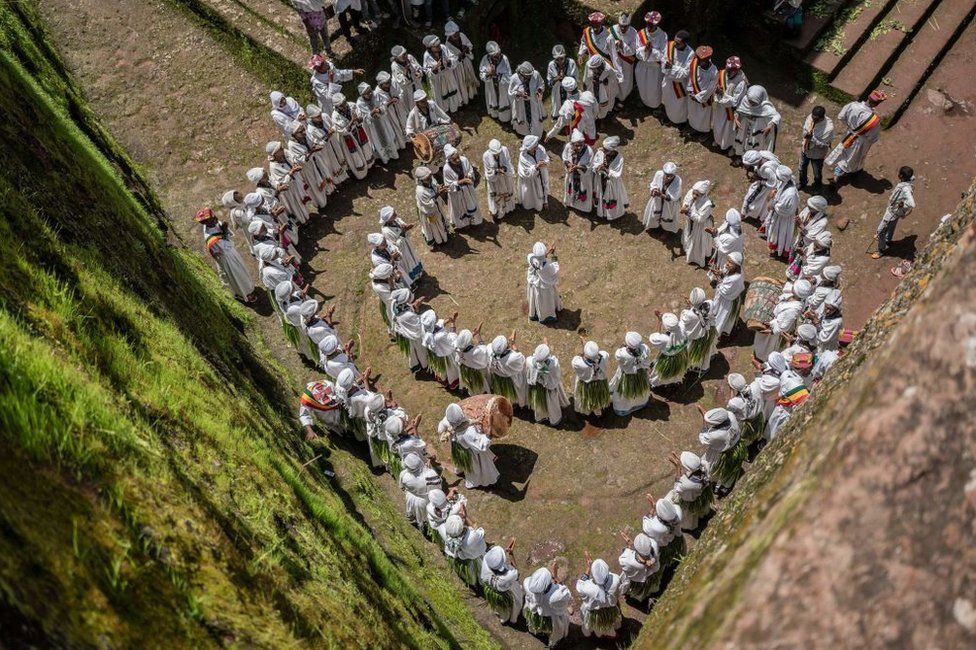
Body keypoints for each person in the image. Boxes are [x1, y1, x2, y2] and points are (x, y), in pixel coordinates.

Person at [195, 208, 255, 302]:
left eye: (214, 216)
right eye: (212, 219)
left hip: (230, 253)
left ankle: (248, 287)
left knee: (241, 270)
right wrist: (225, 231)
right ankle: (243, 294)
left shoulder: (214, 222)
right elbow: (229, 244)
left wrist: (224, 230)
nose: (215, 219)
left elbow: (229, 237)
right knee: (236, 276)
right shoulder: (211, 239)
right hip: (226, 258)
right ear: (205, 223)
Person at [828, 89, 886, 182]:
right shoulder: (874, 120)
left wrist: (850, 126)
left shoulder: (852, 105)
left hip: (848, 134)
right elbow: (872, 137)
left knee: (843, 152)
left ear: (868, 97)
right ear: (877, 104)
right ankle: (836, 176)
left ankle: (841, 171)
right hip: (860, 141)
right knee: (851, 159)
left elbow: (841, 117)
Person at [438, 403, 500, 489]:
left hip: (458, 448)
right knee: (476, 468)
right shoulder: (468, 433)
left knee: (461, 462)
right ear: (462, 415)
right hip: (472, 453)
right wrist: (489, 434)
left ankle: (459, 470)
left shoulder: (447, 421)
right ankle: (478, 481)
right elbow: (481, 446)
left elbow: (440, 429)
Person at [753, 279, 811, 361]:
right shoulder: (793, 296)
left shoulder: (793, 310)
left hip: (774, 329)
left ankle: (762, 358)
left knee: (766, 345)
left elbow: (782, 327)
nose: (793, 285)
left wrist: (769, 326)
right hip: (774, 319)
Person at [523, 566, 573, 647]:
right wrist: (555, 577)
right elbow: (568, 595)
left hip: (536, 613)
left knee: (538, 626)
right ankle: (552, 642)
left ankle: (539, 631)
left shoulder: (526, 583)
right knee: (554, 631)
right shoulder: (556, 596)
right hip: (551, 618)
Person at [305, 104, 350, 190]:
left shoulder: (325, 116)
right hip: (325, 149)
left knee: (339, 157)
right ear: (312, 118)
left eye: (319, 115)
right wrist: (327, 136)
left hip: (333, 142)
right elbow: (317, 143)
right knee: (331, 164)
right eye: (317, 117)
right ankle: (337, 182)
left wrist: (332, 129)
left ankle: (346, 175)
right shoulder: (311, 129)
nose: (320, 118)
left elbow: (333, 124)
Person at [873, 165, 915, 258]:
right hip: (896, 211)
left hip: (892, 212)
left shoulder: (905, 188)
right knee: (892, 225)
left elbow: (912, 204)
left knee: (880, 231)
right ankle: (887, 239)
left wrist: (903, 205)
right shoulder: (908, 181)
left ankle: (881, 250)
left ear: (901, 176)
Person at [698, 406, 744, 491]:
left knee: (712, 469)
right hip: (735, 447)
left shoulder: (717, 435)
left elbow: (703, 438)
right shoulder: (730, 415)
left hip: (721, 454)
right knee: (730, 470)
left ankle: (716, 485)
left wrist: (703, 418)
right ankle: (726, 486)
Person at [330, 93, 375, 180]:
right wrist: (352, 121)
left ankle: (370, 166)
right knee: (355, 155)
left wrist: (357, 119)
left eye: (344, 102)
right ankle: (361, 173)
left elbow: (361, 117)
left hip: (358, 131)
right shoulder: (335, 116)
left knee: (365, 148)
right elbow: (342, 131)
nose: (344, 105)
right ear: (337, 106)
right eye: (341, 105)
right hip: (348, 138)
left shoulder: (351, 105)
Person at [266, 141, 312, 225]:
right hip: (290, 189)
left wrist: (295, 164)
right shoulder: (274, 166)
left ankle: (307, 215)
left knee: (303, 198)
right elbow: (281, 182)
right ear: (275, 154)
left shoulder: (285, 152)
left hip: (297, 181)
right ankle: (303, 220)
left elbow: (293, 158)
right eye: (279, 149)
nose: (282, 149)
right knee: (296, 203)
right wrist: (291, 173)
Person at [576, 556, 622, 639]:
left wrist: (589, 567)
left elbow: (580, 584)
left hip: (594, 613)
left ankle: (599, 634)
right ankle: (613, 633)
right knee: (611, 622)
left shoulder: (588, 587)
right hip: (610, 610)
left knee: (596, 625)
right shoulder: (615, 579)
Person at [479, 543, 524, 627]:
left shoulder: (486, 560)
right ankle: (511, 618)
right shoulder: (509, 575)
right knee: (514, 603)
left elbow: (493, 560)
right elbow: (517, 573)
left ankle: (503, 618)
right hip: (506, 592)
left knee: (499, 606)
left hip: (491, 589)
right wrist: (511, 554)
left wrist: (503, 552)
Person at [666, 450, 712, 531]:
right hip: (702, 494)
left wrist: (677, 467)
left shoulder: (687, 484)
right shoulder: (705, 465)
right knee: (702, 508)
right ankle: (703, 514)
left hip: (690, 499)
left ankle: (691, 527)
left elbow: (677, 487)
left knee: (689, 514)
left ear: (688, 468)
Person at [526, 344, 571, 425]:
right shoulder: (553, 365)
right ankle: (554, 418)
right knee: (552, 403)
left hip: (537, 388)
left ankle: (540, 416)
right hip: (549, 388)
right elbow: (556, 375)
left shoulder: (529, 362)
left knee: (539, 403)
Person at [356, 83, 400, 164]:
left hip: (382, 120)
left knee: (388, 135)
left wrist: (380, 110)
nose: (370, 94)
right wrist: (372, 112)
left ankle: (394, 154)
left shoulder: (375, 94)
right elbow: (364, 118)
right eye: (367, 93)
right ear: (362, 95)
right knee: (377, 141)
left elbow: (383, 105)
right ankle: (385, 159)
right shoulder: (360, 103)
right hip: (373, 126)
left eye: (370, 91)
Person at [610, 331, 652, 415]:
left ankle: (624, 408)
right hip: (641, 374)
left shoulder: (621, 354)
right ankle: (639, 404)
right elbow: (646, 361)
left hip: (627, 376)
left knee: (625, 392)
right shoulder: (645, 348)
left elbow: (618, 356)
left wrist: (623, 346)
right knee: (639, 389)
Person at [442, 144, 482, 230]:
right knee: (461, 209)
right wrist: (461, 182)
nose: (457, 160)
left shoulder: (464, 160)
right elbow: (449, 186)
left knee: (471, 204)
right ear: (449, 160)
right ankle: (464, 224)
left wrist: (469, 175)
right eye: (454, 159)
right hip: (457, 194)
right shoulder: (446, 169)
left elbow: (470, 170)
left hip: (468, 190)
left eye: (458, 157)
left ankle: (474, 221)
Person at [712, 56, 748, 151]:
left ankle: (728, 146)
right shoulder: (722, 73)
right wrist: (716, 91)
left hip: (731, 111)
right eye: (728, 69)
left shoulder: (741, 82)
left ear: (738, 69)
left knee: (728, 130)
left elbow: (735, 101)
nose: (730, 72)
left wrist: (722, 94)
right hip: (720, 107)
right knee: (718, 125)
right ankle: (718, 140)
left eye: (733, 70)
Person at [442, 511, 487, 587]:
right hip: (479, 553)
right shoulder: (471, 537)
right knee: (482, 567)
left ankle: (477, 582)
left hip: (468, 556)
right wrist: (473, 525)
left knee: (477, 571)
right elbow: (482, 533)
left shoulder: (450, 538)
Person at [733, 85, 781, 157]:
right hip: (744, 127)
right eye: (750, 101)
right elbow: (738, 110)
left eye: (754, 102)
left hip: (757, 129)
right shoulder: (745, 101)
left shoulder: (765, 106)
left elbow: (777, 116)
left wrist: (769, 126)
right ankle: (741, 157)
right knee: (742, 141)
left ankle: (753, 161)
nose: (751, 104)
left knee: (754, 145)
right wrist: (736, 119)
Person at [379, 206, 423, 282]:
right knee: (408, 262)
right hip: (402, 250)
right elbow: (394, 246)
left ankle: (419, 273)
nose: (396, 214)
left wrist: (407, 227)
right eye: (393, 214)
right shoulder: (386, 231)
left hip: (407, 243)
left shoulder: (396, 220)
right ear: (389, 218)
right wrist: (402, 233)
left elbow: (403, 226)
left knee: (412, 257)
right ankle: (414, 279)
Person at [642, 497, 685, 574]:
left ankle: (669, 562)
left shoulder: (657, 527)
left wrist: (652, 509)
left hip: (663, 543)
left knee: (664, 554)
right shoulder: (678, 511)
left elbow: (645, 522)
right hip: (675, 536)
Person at [390, 289, 428, 372]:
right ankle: (425, 365)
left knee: (412, 352)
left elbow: (407, 309)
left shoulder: (394, 303)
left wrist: (414, 305)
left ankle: (416, 364)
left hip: (403, 331)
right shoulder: (408, 316)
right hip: (410, 335)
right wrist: (416, 309)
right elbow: (418, 325)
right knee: (420, 350)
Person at [398, 452, 440, 528]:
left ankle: (417, 523)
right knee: (427, 515)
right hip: (427, 499)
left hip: (412, 498)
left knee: (414, 512)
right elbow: (438, 488)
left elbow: (402, 487)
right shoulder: (432, 473)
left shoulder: (404, 475)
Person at [635, 11, 667, 109]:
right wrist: (645, 50)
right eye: (648, 24)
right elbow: (636, 51)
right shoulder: (641, 34)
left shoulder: (662, 35)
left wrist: (652, 50)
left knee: (654, 89)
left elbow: (663, 55)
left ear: (656, 24)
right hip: (643, 66)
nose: (649, 27)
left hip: (655, 68)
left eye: (651, 25)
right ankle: (644, 102)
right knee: (642, 86)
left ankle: (655, 106)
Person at [661, 30, 694, 125]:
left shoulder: (690, 54)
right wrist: (670, 68)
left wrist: (672, 67)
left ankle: (680, 121)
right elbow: (663, 62)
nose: (675, 44)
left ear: (685, 43)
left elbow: (685, 73)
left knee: (679, 105)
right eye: (674, 40)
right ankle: (669, 116)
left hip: (680, 85)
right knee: (667, 100)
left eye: (678, 43)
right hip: (668, 82)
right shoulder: (669, 46)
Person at [766, 165, 799, 258]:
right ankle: (775, 247)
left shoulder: (791, 193)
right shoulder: (784, 182)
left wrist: (773, 205)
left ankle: (781, 251)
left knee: (782, 234)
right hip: (778, 215)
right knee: (775, 233)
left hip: (784, 218)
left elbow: (785, 208)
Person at [571, 340, 611, 417]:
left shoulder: (578, 363)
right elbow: (604, 354)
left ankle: (586, 412)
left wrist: (584, 351)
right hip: (600, 383)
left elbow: (575, 360)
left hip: (586, 385)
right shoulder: (604, 356)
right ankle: (598, 412)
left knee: (585, 398)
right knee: (598, 397)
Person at [422, 35, 461, 113]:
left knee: (452, 90)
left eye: (438, 45)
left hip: (448, 74)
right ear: (430, 48)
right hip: (438, 80)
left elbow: (453, 57)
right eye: (436, 46)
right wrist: (434, 69)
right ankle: (445, 110)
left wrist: (449, 61)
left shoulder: (443, 48)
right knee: (441, 95)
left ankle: (455, 108)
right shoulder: (427, 56)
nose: (438, 47)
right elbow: (426, 70)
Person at [798, 105, 834, 190]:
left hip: (817, 154)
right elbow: (805, 129)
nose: (813, 120)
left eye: (816, 119)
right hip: (806, 149)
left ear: (822, 118)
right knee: (802, 168)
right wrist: (805, 134)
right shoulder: (810, 117)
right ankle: (802, 183)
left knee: (817, 173)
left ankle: (817, 186)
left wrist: (812, 139)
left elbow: (824, 145)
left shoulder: (828, 128)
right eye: (813, 117)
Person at [617, 533, 660, 603]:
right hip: (649, 576)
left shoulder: (626, 559)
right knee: (647, 587)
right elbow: (655, 567)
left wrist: (629, 547)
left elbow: (623, 560)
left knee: (636, 590)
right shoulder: (654, 546)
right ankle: (649, 593)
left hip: (636, 580)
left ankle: (641, 598)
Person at [592, 136, 628, 220]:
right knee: (601, 194)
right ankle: (603, 213)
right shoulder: (600, 152)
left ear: (612, 150)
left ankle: (614, 215)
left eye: (606, 150)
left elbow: (616, 174)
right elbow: (595, 162)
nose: (603, 151)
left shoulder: (619, 158)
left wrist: (606, 170)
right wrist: (597, 167)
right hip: (600, 179)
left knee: (612, 197)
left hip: (612, 183)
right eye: (604, 148)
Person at [649, 312, 688, 388]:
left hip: (668, 359)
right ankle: (674, 381)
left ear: (667, 328)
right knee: (676, 371)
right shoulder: (682, 327)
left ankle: (655, 384)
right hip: (680, 355)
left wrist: (660, 321)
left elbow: (654, 337)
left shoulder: (664, 339)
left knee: (660, 373)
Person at [682, 287, 717, 373]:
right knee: (708, 348)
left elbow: (685, 323)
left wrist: (689, 306)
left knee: (695, 352)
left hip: (697, 337)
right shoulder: (710, 303)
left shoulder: (688, 315)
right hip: (708, 332)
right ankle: (710, 358)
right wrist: (692, 306)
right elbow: (701, 314)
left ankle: (697, 366)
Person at [680, 180, 714, 267]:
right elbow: (687, 200)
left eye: (697, 195)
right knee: (689, 233)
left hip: (700, 226)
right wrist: (685, 206)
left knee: (697, 241)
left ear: (703, 194)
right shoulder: (691, 192)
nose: (694, 196)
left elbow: (700, 219)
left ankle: (695, 258)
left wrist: (688, 212)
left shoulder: (707, 205)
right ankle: (688, 249)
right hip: (690, 221)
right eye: (694, 193)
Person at [413, 166, 450, 246]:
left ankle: (445, 234)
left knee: (441, 220)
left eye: (430, 177)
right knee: (434, 227)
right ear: (421, 180)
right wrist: (438, 194)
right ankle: (439, 240)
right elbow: (429, 204)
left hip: (437, 208)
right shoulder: (420, 191)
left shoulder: (430, 179)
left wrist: (440, 187)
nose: (430, 179)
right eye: (427, 178)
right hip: (430, 213)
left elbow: (435, 186)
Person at [423, 311, 460, 389]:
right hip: (449, 355)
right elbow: (452, 337)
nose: (437, 314)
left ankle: (445, 379)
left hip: (440, 354)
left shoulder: (427, 332)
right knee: (453, 370)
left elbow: (440, 325)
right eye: (435, 315)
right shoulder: (440, 336)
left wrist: (450, 320)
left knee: (445, 370)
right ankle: (456, 382)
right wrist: (453, 323)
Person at [526, 242, 561, 323]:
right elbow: (555, 266)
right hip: (545, 290)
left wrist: (547, 253)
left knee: (535, 300)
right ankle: (547, 316)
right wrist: (553, 254)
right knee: (546, 303)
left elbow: (539, 260)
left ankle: (534, 313)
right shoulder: (548, 267)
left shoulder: (531, 259)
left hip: (534, 286)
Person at [488, 334, 528, 407]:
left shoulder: (489, 351)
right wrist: (513, 344)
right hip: (511, 379)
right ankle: (516, 403)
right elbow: (522, 360)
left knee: (503, 392)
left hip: (498, 377)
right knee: (516, 392)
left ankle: (509, 402)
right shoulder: (512, 358)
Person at [444, 21, 478, 106]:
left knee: (470, 78)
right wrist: (458, 58)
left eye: (457, 33)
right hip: (458, 67)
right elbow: (450, 59)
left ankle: (472, 95)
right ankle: (464, 99)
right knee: (461, 82)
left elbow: (470, 45)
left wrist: (466, 48)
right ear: (450, 35)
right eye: (454, 34)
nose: (457, 35)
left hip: (466, 62)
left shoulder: (462, 35)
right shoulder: (447, 45)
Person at [711, 252, 745, 336]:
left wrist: (718, 279)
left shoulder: (735, 278)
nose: (727, 264)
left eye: (730, 262)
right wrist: (720, 273)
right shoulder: (734, 270)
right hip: (727, 296)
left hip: (726, 301)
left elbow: (724, 291)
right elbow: (724, 274)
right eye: (728, 261)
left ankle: (717, 333)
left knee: (721, 316)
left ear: (737, 265)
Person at [509, 61, 546, 138]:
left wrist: (539, 90)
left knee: (535, 119)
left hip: (534, 103)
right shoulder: (514, 78)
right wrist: (519, 94)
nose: (530, 77)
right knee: (523, 119)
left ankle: (536, 135)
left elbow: (541, 83)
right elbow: (510, 92)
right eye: (527, 76)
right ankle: (525, 134)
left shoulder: (536, 74)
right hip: (521, 105)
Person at [686, 46, 718, 134]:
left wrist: (698, 98)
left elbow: (711, 88)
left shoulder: (714, 71)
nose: (699, 61)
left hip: (704, 99)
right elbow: (690, 78)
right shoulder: (694, 65)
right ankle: (694, 127)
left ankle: (704, 132)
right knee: (693, 114)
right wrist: (691, 91)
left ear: (707, 59)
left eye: (701, 60)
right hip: (693, 96)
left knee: (703, 117)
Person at [643, 161, 682, 232]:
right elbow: (653, 184)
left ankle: (666, 231)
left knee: (667, 217)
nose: (668, 177)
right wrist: (654, 190)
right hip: (657, 200)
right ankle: (652, 226)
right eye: (666, 175)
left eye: (671, 175)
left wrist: (661, 195)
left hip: (669, 204)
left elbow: (674, 197)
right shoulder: (658, 174)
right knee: (654, 213)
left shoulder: (678, 180)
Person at [483, 139, 517, 219]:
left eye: (498, 153)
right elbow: (488, 171)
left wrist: (504, 169)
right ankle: (497, 212)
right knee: (496, 195)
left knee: (508, 191)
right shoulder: (486, 156)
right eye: (495, 153)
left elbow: (508, 162)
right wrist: (496, 171)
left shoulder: (504, 150)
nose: (497, 155)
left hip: (504, 177)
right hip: (495, 180)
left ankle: (509, 209)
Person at [561, 129, 594, 213]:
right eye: (576, 145)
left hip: (583, 178)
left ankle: (583, 208)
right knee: (570, 188)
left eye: (581, 145)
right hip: (571, 175)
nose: (579, 147)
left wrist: (578, 167)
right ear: (572, 144)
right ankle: (570, 204)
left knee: (583, 191)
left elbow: (590, 166)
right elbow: (565, 157)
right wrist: (569, 165)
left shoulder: (589, 151)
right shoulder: (568, 146)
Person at [479, 42, 513, 123]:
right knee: (493, 97)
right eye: (495, 55)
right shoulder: (485, 59)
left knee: (503, 100)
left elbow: (509, 75)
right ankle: (494, 114)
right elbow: (481, 73)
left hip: (502, 87)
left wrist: (497, 75)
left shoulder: (504, 59)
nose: (497, 56)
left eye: (498, 54)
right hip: (491, 85)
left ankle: (504, 118)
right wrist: (488, 74)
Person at [609, 13, 638, 105]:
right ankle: (614, 97)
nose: (622, 29)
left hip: (626, 61)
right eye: (621, 26)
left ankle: (623, 98)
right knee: (614, 77)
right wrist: (615, 45)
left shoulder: (634, 33)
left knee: (625, 79)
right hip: (614, 58)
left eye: (625, 26)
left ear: (629, 25)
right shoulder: (611, 30)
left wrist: (623, 46)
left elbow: (633, 50)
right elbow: (607, 44)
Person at [583, 54, 622, 120]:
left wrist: (606, 81)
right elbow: (586, 77)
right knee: (592, 102)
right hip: (592, 87)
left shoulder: (608, 69)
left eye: (594, 68)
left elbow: (614, 81)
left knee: (603, 105)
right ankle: (594, 118)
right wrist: (585, 88)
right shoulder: (588, 65)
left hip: (604, 90)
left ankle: (602, 119)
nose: (592, 70)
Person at [708, 208, 744, 279]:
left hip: (726, 258)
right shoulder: (737, 228)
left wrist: (715, 236)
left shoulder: (732, 238)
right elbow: (723, 227)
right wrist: (716, 231)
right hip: (731, 254)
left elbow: (722, 250)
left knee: (723, 271)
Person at [517, 135, 550, 211]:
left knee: (543, 185)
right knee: (533, 194)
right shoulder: (523, 157)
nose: (537, 148)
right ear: (529, 148)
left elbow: (546, 159)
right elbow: (525, 173)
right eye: (534, 147)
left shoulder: (540, 148)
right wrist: (536, 167)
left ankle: (545, 200)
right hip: (531, 181)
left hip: (542, 174)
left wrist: (544, 163)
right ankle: (534, 204)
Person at [455, 326, 491, 395]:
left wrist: (474, 334)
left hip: (466, 371)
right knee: (480, 386)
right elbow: (484, 350)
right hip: (476, 373)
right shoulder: (475, 352)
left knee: (470, 385)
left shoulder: (457, 349)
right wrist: (478, 336)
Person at [390, 45, 425, 115]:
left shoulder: (410, 57)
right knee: (413, 108)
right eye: (403, 55)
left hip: (417, 84)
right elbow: (400, 81)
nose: (405, 56)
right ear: (397, 58)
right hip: (407, 90)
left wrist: (419, 73)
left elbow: (418, 67)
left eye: (405, 53)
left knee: (423, 101)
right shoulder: (394, 66)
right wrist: (405, 71)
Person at [546, 45, 579, 119]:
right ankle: (562, 127)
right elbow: (549, 83)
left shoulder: (571, 63)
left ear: (565, 57)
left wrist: (565, 77)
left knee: (571, 110)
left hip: (570, 91)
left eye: (562, 59)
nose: (560, 61)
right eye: (557, 59)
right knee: (559, 111)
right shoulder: (551, 65)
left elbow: (575, 79)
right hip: (557, 92)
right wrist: (556, 78)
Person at [375, 71, 409, 135]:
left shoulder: (393, 83)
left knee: (407, 127)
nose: (389, 84)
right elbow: (380, 109)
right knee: (398, 134)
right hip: (391, 116)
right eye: (386, 83)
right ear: (381, 84)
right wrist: (390, 103)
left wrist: (398, 98)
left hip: (400, 110)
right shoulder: (377, 93)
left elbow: (401, 93)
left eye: (389, 81)